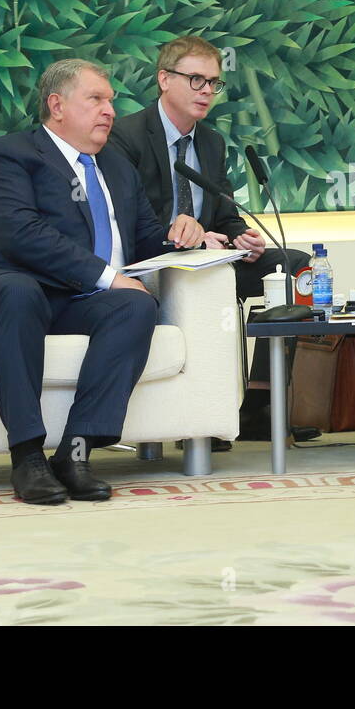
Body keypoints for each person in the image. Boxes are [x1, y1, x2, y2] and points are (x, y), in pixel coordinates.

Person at [0, 59, 176, 505]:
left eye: (111, 102)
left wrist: (186, 238)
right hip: (18, 291)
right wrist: (109, 277)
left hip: (84, 300)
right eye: (96, 99)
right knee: (19, 292)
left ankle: (74, 454)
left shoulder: (117, 166)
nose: (110, 111)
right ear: (57, 105)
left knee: (138, 306)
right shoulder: (9, 155)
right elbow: (21, 235)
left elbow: (147, 240)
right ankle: (27, 457)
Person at [105, 36, 317, 445]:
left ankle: (260, 405)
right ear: (164, 79)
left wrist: (244, 238)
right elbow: (124, 218)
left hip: (210, 260)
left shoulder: (211, 142)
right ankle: (195, 414)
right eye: (196, 80)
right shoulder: (126, 137)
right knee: (203, 278)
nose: (206, 92)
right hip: (152, 262)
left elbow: (224, 215)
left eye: (214, 84)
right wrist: (182, 235)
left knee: (293, 267)